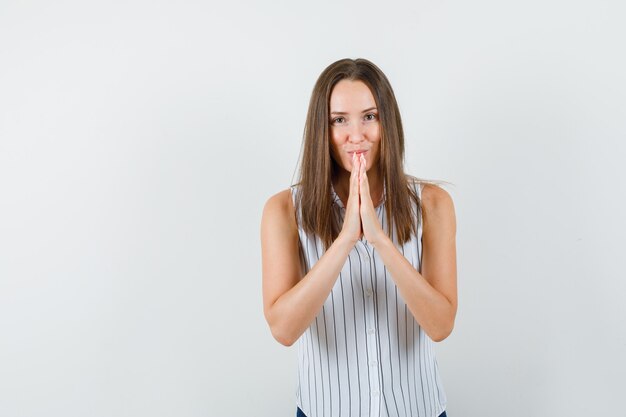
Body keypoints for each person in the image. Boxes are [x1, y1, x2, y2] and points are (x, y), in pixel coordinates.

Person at [260, 58, 457, 417]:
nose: (357, 135)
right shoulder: (283, 210)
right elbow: (284, 330)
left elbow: (441, 325)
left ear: (388, 122)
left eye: (370, 116)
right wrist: (346, 239)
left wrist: (380, 239)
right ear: (322, 127)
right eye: (339, 120)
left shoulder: (433, 204)